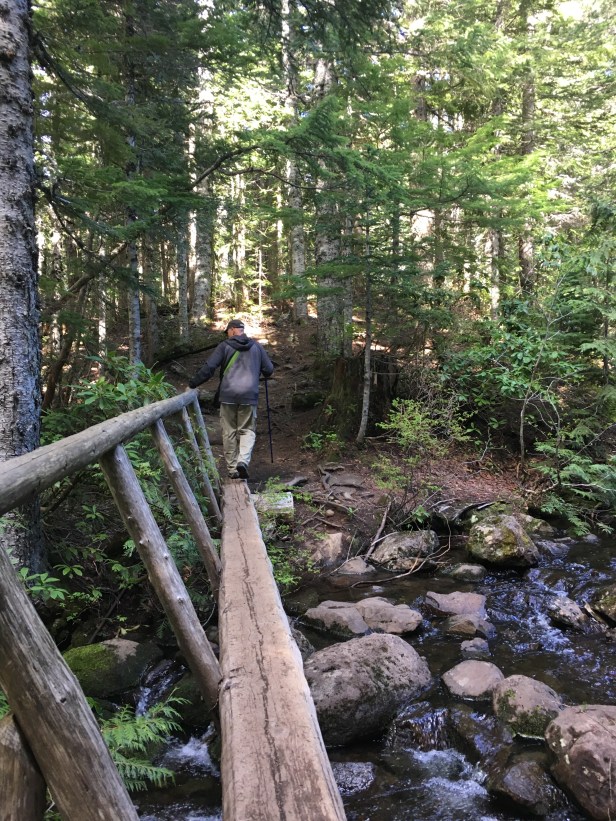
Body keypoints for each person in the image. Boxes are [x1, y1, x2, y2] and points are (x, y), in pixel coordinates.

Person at [188, 319, 274, 479]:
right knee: (247, 430)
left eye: (227, 331)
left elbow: (209, 368)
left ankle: (233, 469)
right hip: (249, 396)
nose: (227, 334)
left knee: (229, 431)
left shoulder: (224, 346)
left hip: (227, 395)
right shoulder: (256, 346)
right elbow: (269, 370)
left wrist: (193, 383)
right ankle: (243, 461)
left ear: (233, 329)